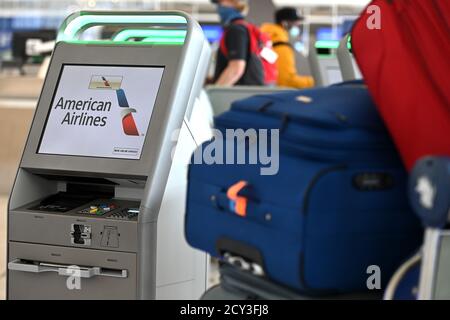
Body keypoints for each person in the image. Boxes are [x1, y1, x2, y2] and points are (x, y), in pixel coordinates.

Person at [212, 0, 265, 86]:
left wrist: (212, 92)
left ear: (234, 3)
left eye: (221, 3)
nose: (219, 6)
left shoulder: (236, 29)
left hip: (237, 93)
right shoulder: (244, 27)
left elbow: (236, 69)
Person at [261, 7, 314, 88]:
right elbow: (286, 81)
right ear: (284, 23)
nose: (297, 25)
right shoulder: (281, 45)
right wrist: (314, 81)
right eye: (295, 22)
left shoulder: (266, 39)